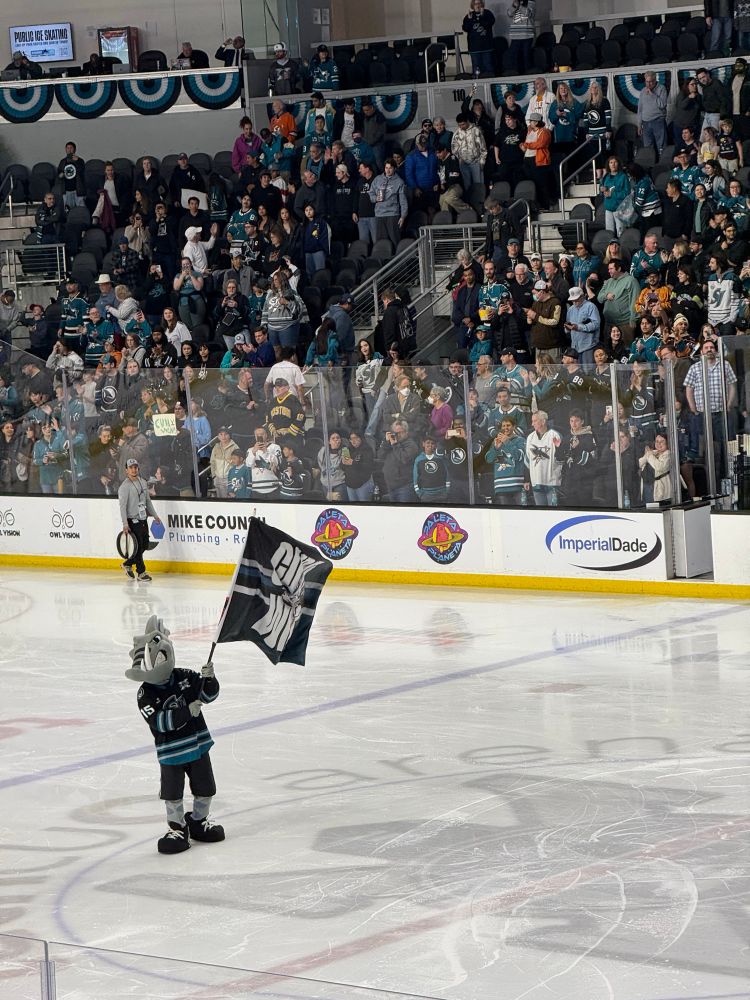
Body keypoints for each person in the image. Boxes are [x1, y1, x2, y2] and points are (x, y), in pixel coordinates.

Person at [124, 615, 223, 854]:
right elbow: (160, 722)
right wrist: (186, 711)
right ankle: (177, 828)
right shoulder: (144, 695)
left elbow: (208, 696)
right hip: (171, 753)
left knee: (205, 787)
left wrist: (209, 679)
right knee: (173, 794)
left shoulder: (185, 676)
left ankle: (198, 822)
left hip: (198, 746)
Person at [118, 458, 162, 582]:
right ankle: (141, 572)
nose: (133, 469)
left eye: (135, 467)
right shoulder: (124, 487)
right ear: (126, 470)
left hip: (143, 518)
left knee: (145, 544)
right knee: (137, 546)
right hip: (133, 520)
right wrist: (125, 524)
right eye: (131, 467)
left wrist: (155, 515)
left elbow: (147, 501)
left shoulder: (143, 482)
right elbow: (122, 507)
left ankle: (128, 563)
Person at [524, 410, 562, 506]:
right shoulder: (530, 438)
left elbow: (562, 458)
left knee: (554, 513)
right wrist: (527, 479)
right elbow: (527, 460)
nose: (532, 424)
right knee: (541, 514)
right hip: (536, 482)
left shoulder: (555, 435)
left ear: (543, 421)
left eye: (535, 421)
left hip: (552, 483)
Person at [369, 160, 409, 248]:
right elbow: (371, 194)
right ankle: (384, 261)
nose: (388, 170)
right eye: (386, 168)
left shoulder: (399, 182)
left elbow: (403, 201)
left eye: (390, 168)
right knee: (381, 243)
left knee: (395, 241)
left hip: (393, 214)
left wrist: (403, 216)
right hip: (379, 215)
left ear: (394, 168)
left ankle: (398, 260)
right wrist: (375, 198)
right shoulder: (377, 179)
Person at [638, 72, 669, 159]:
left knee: (661, 146)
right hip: (646, 123)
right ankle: (650, 168)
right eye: (647, 82)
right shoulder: (643, 91)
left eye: (651, 81)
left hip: (658, 121)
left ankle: (663, 165)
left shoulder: (661, 88)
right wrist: (639, 125)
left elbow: (662, 104)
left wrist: (652, 95)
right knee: (648, 148)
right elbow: (640, 109)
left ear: (655, 80)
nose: (649, 84)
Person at [462, 0, 496, 76]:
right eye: (475, 4)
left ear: (482, 4)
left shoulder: (487, 13)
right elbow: (465, 28)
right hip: (474, 48)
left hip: (486, 47)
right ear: (472, 5)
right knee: (476, 69)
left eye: (479, 3)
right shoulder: (469, 15)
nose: (477, 5)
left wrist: (482, 16)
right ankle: (476, 87)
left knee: (488, 67)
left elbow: (490, 23)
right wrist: (470, 20)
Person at [506, 0, 536, 75]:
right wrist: (514, 6)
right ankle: (516, 74)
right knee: (514, 56)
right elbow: (509, 13)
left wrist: (519, 6)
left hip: (526, 35)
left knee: (526, 56)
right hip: (515, 35)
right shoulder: (516, 2)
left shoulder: (531, 2)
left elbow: (528, 13)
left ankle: (528, 74)